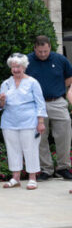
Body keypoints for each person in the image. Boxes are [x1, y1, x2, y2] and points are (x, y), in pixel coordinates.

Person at [25, 36, 72, 181]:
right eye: (40, 51)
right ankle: (46, 169)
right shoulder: (27, 61)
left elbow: (69, 78)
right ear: (34, 48)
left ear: (50, 47)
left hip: (57, 102)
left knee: (64, 136)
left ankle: (63, 167)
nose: (43, 54)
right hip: (36, 105)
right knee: (40, 137)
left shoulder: (60, 60)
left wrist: (58, 88)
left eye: (45, 51)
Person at [0, 53, 47, 190]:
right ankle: (15, 178)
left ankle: (32, 178)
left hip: (29, 121)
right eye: (13, 67)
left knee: (30, 149)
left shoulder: (33, 82)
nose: (15, 69)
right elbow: (0, 106)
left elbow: (40, 103)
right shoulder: (6, 83)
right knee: (12, 149)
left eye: (18, 66)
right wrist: (1, 101)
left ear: (24, 67)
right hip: (9, 122)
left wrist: (41, 122)